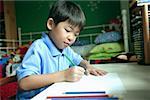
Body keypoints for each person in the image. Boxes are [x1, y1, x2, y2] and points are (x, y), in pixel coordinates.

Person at [16, 0, 107, 99]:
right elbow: (24, 83)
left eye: (76, 34)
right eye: (68, 30)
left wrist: (88, 66)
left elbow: (78, 59)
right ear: (51, 24)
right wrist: (63, 75)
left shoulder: (66, 49)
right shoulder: (38, 47)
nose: (71, 38)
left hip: (55, 95)